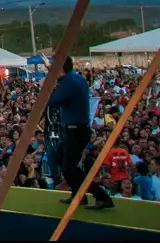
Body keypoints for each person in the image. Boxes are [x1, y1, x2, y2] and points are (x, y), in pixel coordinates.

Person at [47, 57, 114, 210]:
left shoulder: (69, 83)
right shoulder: (76, 78)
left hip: (75, 130)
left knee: (70, 167)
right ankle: (78, 194)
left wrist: (46, 86)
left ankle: (101, 196)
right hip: (75, 129)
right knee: (60, 157)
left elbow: (51, 102)